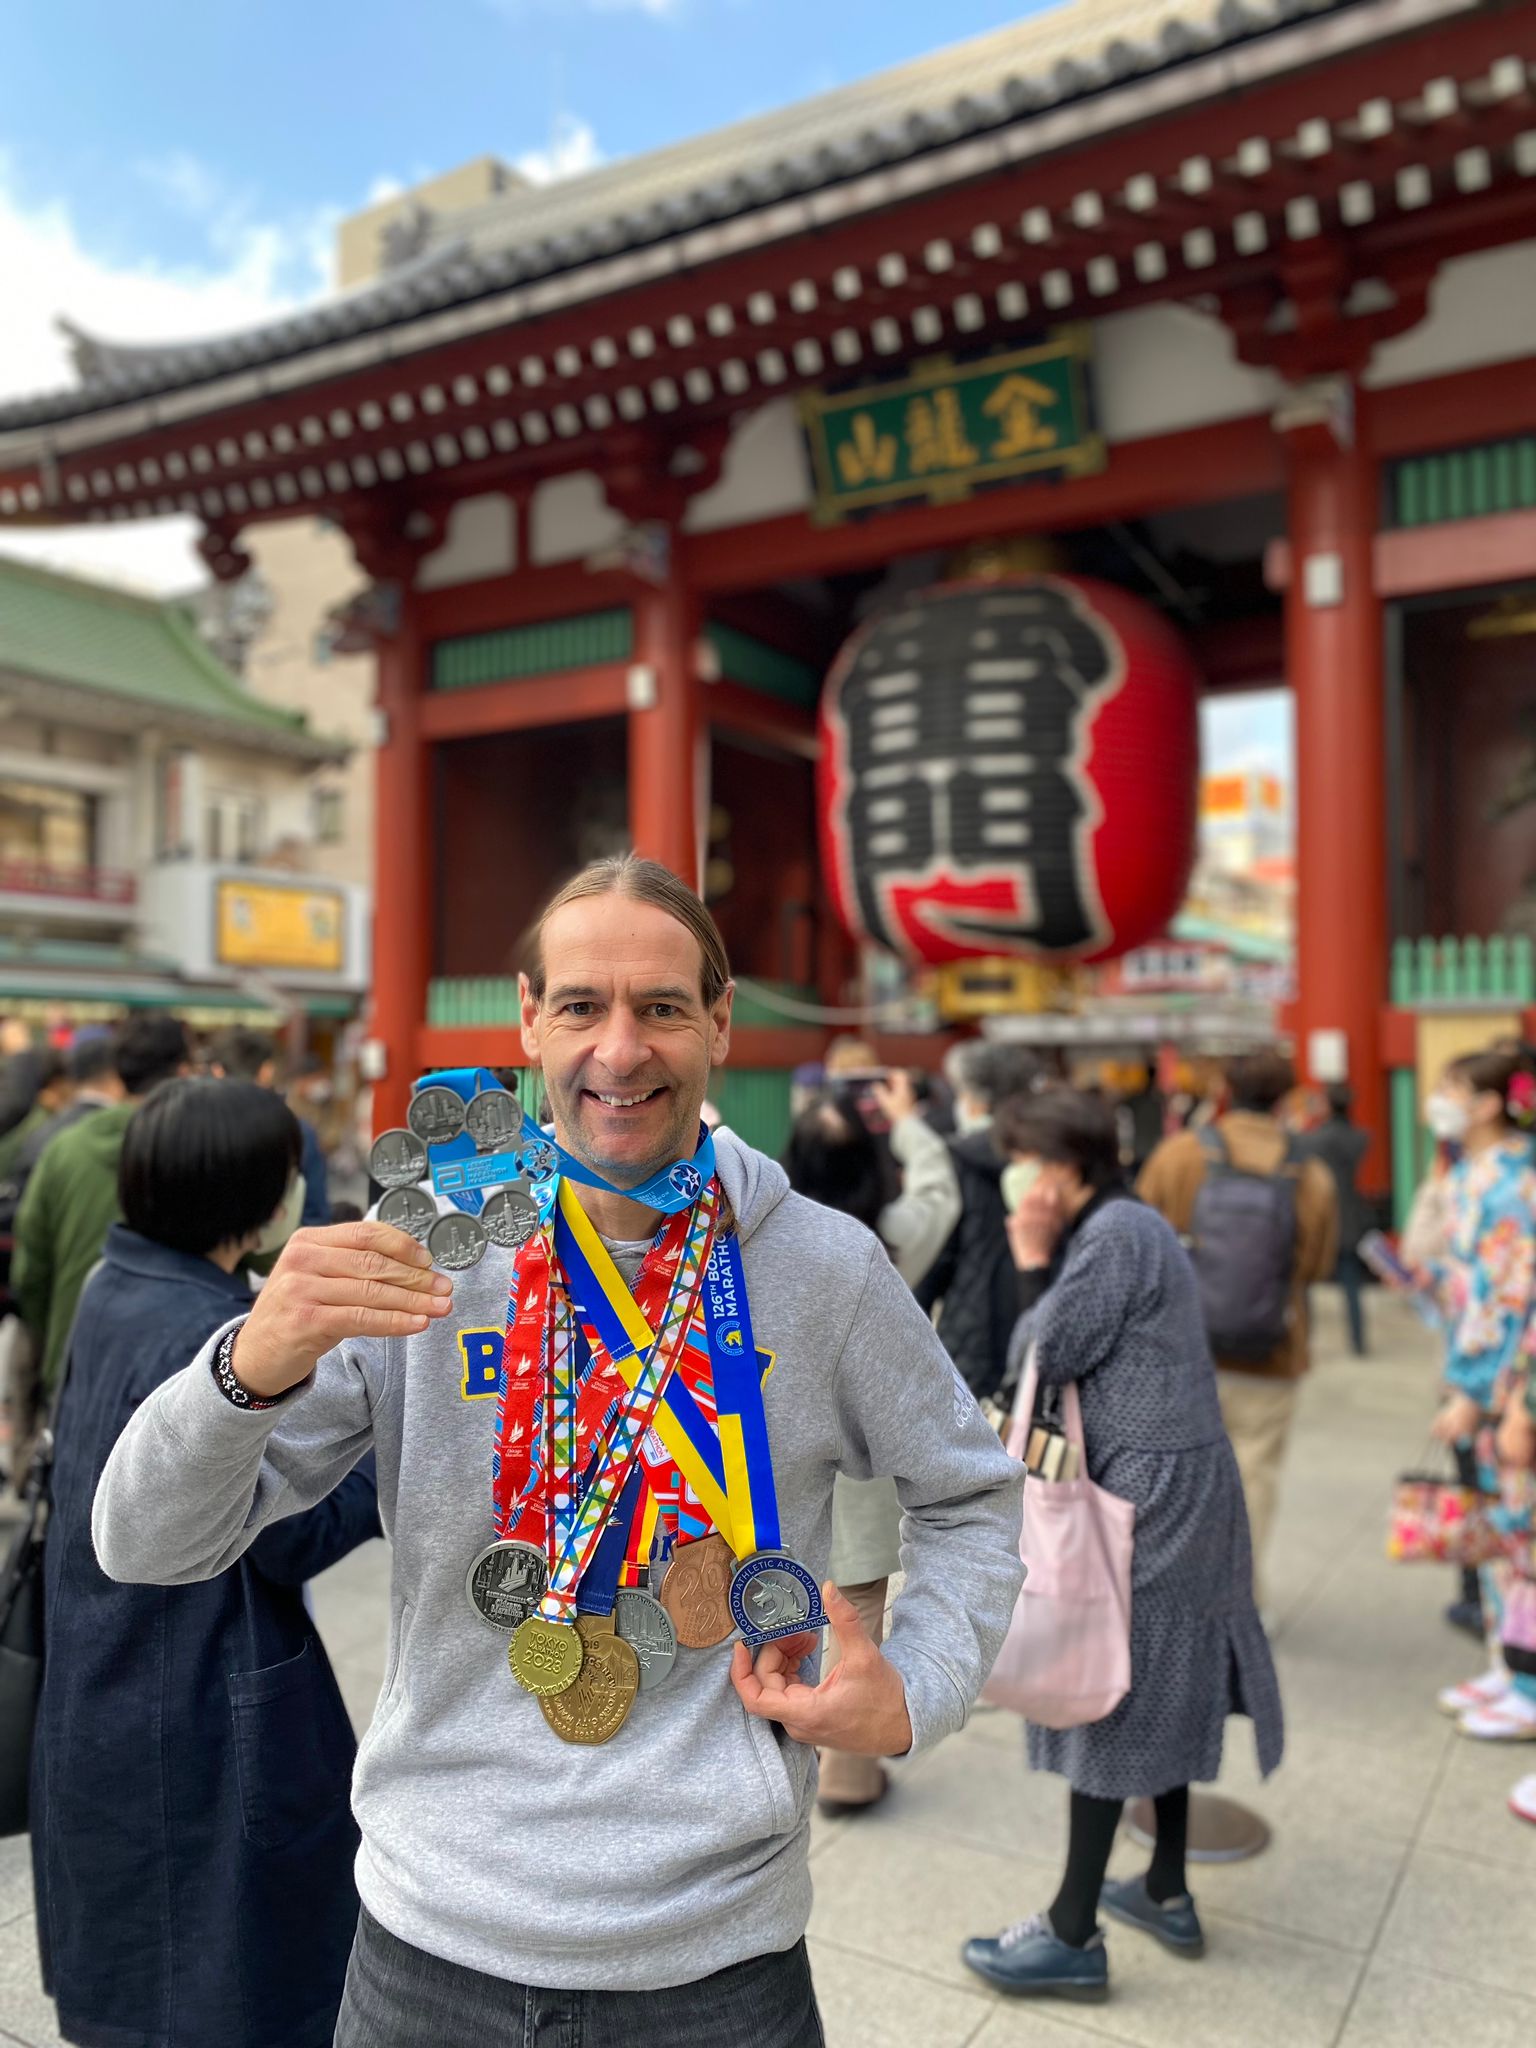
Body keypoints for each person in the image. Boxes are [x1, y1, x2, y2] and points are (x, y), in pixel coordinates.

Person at [93, 855, 1024, 2048]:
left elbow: (971, 1493)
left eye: (662, 1006)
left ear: (720, 1021)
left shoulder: (824, 1267)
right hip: (428, 1943)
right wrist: (244, 1367)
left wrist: (918, 1687)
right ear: (530, 1018)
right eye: (582, 1004)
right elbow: (143, 1542)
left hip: (717, 1960)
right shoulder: (424, 1247)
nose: (620, 1050)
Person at [32, 1078, 381, 2048]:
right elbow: (288, 1535)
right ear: (258, 1197)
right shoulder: (217, 1336)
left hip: (96, 1661)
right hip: (195, 1677)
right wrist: (379, 1460)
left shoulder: (113, 1284)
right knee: (218, 1966)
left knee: (132, 1952)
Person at [963, 1087, 1283, 2002]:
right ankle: (1165, 1888)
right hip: (1178, 1489)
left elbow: (1045, 1350)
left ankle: (1071, 1935)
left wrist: (1031, 1260)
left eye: (1025, 1159)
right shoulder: (1131, 1222)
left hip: (1146, 1502)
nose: (1017, 1176)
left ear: (1063, 1165)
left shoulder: (1111, 1236)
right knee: (1158, 1688)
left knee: (1113, 1695)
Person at [781, 1067, 961, 1816]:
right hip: (861, 1471)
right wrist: (907, 1115)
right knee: (854, 1614)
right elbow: (940, 1191)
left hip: (772, 1464)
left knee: (772, 1606)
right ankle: (848, 1777)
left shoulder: (763, 1250)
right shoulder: (889, 1242)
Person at [1137, 1050, 1338, 1602]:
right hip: (1270, 1352)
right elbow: (1316, 1265)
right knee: (1254, 1477)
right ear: (1286, 1098)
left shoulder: (1180, 1154)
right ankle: (1238, 1599)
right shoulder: (1309, 1170)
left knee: (1176, 1478)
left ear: (1226, 1089)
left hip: (1181, 1349)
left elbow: (1141, 1243)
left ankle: (1175, 1594)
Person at [1408, 1049, 1536, 1740]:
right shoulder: (1470, 1173)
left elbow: (1511, 1301)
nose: (1440, 1099)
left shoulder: (1514, 1183)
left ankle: (1528, 1681)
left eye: (1453, 1088)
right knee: (1493, 1527)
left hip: (1502, 1386)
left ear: (1490, 1103)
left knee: (1519, 1533)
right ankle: (1504, 1662)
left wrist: (1480, 1392)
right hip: (1473, 1371)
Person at [13, 1012, 191, 1398]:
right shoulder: (197, 1150)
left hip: (72, 1363)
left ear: (119, 1072)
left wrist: (55, 1333)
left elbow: (30, 1270)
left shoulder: (63, 1146)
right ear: (183, 1070)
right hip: (171, 1372)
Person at [919, 1039, 1040, 1401]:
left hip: (970, 1336)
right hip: (1035, 1324)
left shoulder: (954, 1160)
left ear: (977, 1100)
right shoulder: (1051, 1155)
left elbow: (934, 1262)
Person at [208, 1025, 332, 1228]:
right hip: (282, 1243)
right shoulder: (297, 1130)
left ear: (217, 1071)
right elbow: (315, 1213)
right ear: (266, 1071)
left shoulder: (197, 1127)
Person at [1297, 1082, 1371, 1358]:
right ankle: (1358, 1340)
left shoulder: (1314, 1139)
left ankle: (1305, 1340)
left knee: (1304, 1281)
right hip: (1350, 1213)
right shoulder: (1359, 1136)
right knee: (1352, 1285)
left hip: (1320, 1215)